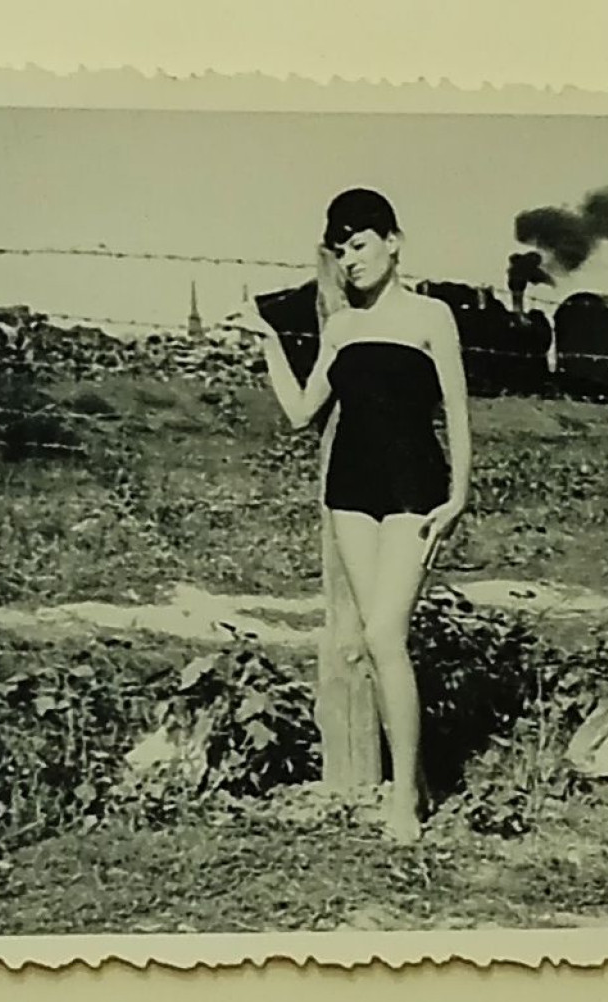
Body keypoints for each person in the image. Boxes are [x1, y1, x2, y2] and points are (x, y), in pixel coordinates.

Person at [225, 188, 472, 843]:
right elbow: (303, 412)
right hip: (351, 493)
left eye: (360, 244)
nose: (350, 260)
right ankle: (412, 783)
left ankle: (402, 802)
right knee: (369, 640)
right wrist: (269, 341)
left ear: (393, 240)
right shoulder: (340, 328)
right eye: (340, 250)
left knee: (387, 635)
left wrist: (459, 496)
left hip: (415, 489)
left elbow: (458, 409)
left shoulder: (432, 316)